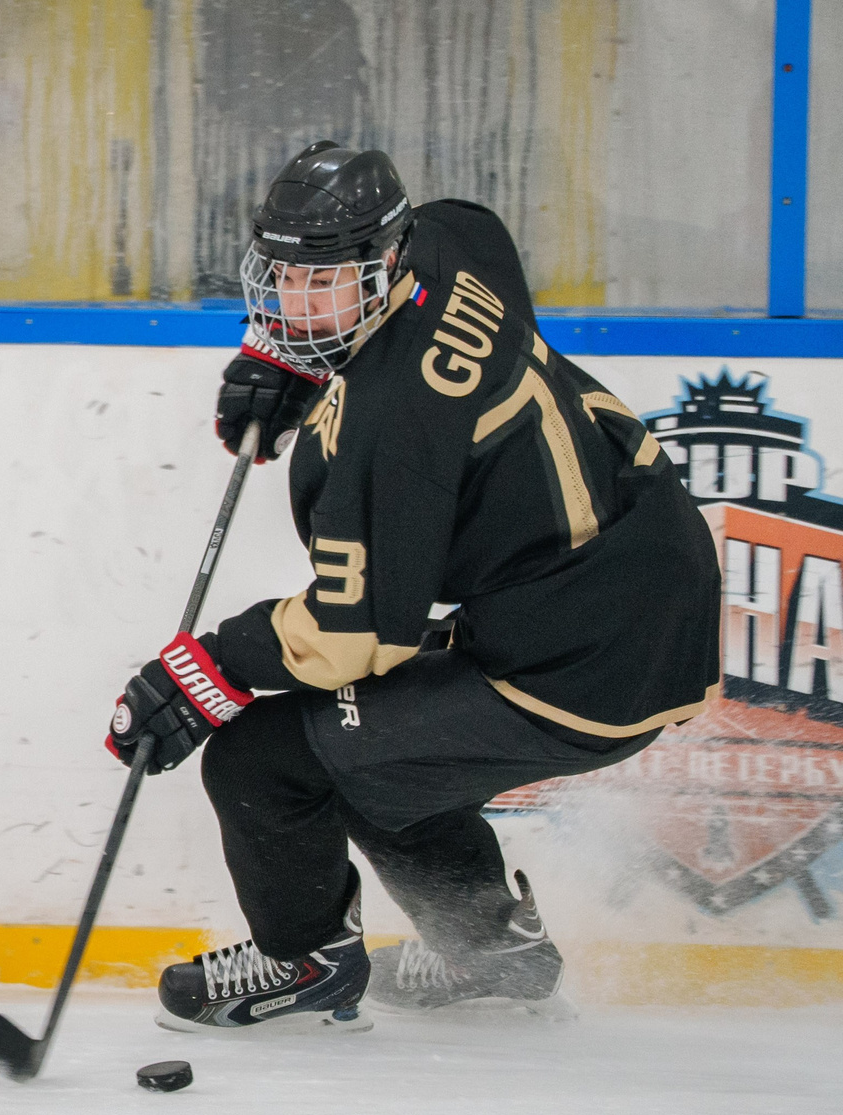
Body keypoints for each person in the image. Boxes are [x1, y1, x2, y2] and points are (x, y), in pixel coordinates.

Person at [105, 141, 720, 1031]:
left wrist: (211, 667)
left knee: (264, 759)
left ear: (384, 261)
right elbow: (474, 226)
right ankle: (494, 951)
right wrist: (300, 361)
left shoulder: (392, 427)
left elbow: (359, 632)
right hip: (643, 582)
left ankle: (303, 961)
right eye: (283, 278)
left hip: (583, 663)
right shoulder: (446, 247)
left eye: (323, 283)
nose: (295, 304)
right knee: (379, 761)